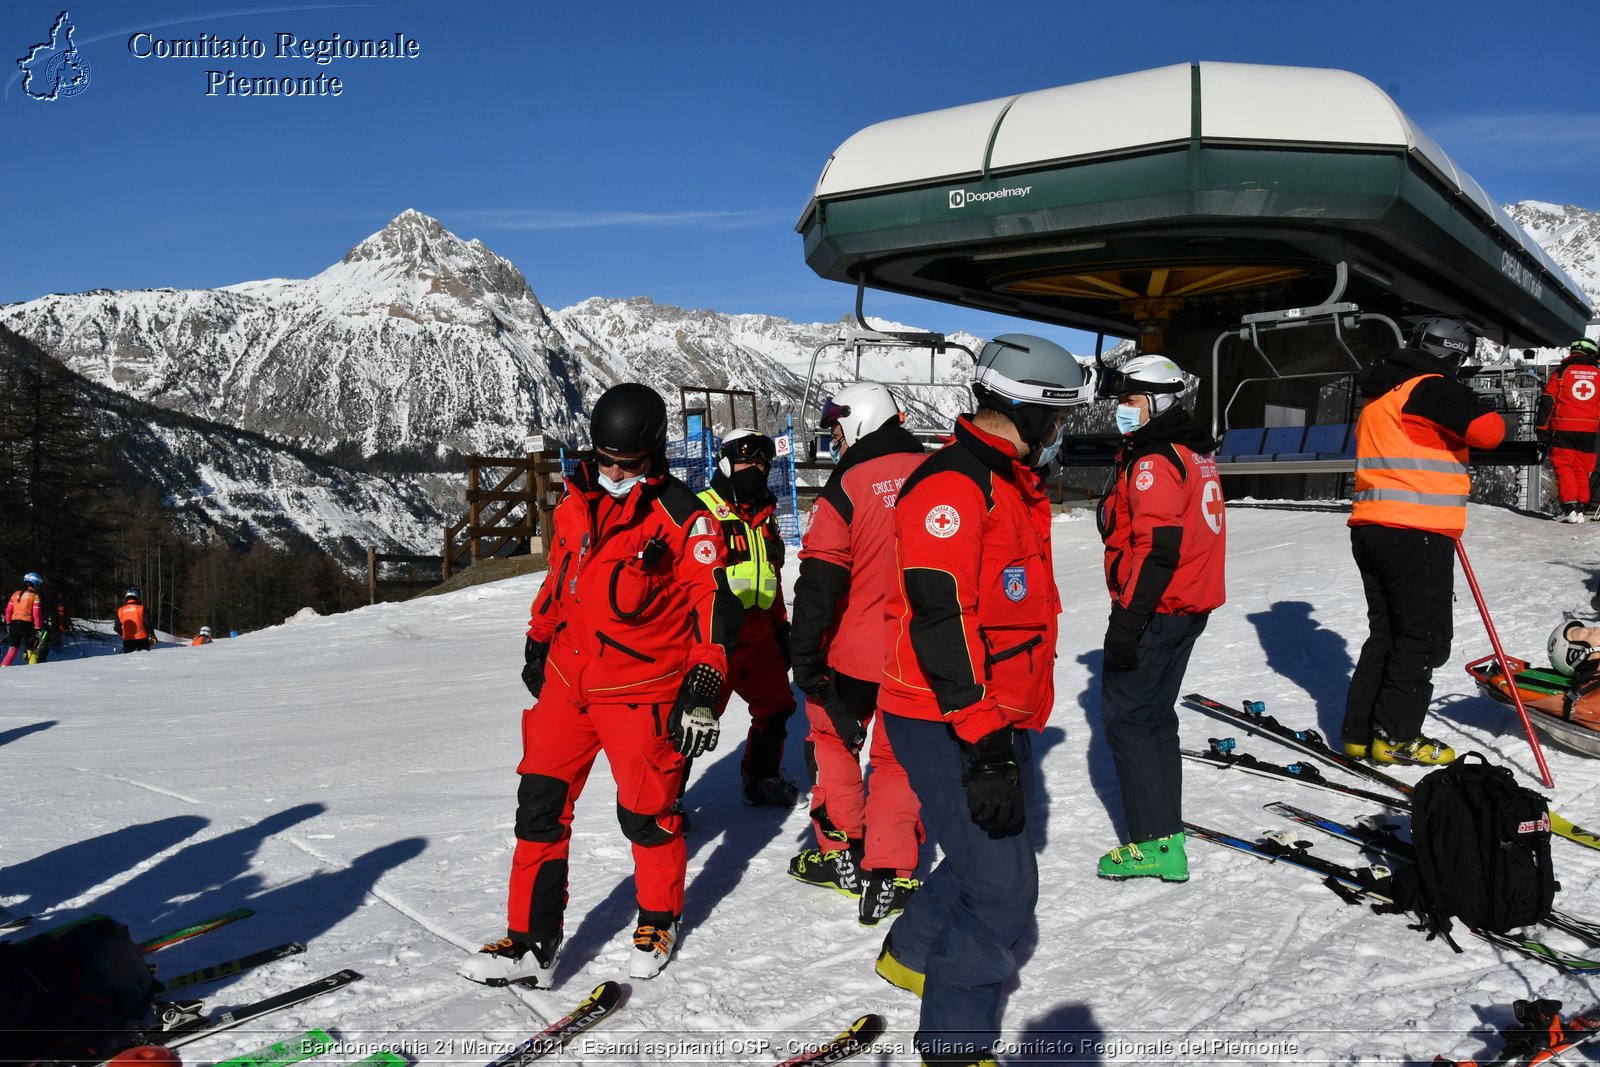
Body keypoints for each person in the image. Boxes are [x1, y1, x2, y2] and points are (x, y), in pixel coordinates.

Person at [459, 382, 740, 989]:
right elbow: (562, 575)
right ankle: (531, 941)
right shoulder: (576, 501)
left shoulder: (683, 518)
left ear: (654, 454)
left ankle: (658, 918)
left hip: (641, 690)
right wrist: (540, 636)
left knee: (647, 814)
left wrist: (706, 677)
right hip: (569, 681)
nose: (614, 472)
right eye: (605, 459)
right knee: (539, 806)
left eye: (628, 464)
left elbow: (714, 601)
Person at [874, 334, 1090, 1067]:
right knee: (1002, 888)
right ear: (1031, 412)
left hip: (995, 712)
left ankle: (911, 953)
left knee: (981, 859)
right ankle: (954, 1047)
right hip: (950, 715)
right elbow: (940, 615)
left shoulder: (1007, 481)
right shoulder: (954, 487)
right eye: (1058, 423)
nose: (1059, 438)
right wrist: (985, 737)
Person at [787, 382, 926, 926]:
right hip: (917, 652)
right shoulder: (940, 473)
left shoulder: (847, 485)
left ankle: (840, 850)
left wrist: (805, 657)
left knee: (832, 741)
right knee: (896, 758)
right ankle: (890, 875)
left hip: (852, 652)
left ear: (862, 420)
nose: (835, 439)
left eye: (838, 427)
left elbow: (819, 582)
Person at [1341, 316, 1505, 765]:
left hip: (1372, 526)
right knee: (1423, 637)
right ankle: (1396, 736)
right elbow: (1489, 432)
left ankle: (1360, 733)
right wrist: (1469, 399)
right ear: (1452, 353)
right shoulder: (1431, 386)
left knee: (1387, 632)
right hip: (1416, 530)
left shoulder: (1383, 396)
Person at [1093, 355, 1226, 882]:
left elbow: (1157, 548)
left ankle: (1154, 844)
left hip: (1158, 608)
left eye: (1130, 401)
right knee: (1153, 717)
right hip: (1186, 605)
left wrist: (1127, 622)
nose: (1122, 412)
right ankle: (1165, 830)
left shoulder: (1154, 461)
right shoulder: (1190, 451)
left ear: (1156, 402)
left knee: (1129, 720)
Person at [696, 428, 800, 808]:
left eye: (762, 461)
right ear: (725, 462)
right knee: (695, 714)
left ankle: (760, 778)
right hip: (717, 636)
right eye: (746, 459)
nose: (755, 467)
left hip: (759, 634)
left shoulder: (766, 517)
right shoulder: (704, 510)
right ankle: (666, 800)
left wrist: (780, 628)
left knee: (777, 706)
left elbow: (768, 575)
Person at [1535, 337, 1600, 523]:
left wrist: (1541, 428)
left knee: (1564, 466)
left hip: (1564, 427)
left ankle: (1570, 507)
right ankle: (1581, 507)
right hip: (1590, 430)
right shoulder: (1598, 373)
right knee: (1581, 468)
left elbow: (1547, 401)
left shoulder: (1561, 373)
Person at [3, 572, 44, 667]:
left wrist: (9, 624)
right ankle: (33, 671)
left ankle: (3, 669)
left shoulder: (15, 594)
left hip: (14, 624)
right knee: (31, 649)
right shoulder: (34, 595)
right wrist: (38, 627)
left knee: (12, 649)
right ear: (36, 583)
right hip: (27, 625)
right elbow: (36, 614)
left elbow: (8, 610)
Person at [117, 589, 153, 653]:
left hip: (128, 639)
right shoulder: (142, 608)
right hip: (142, 638)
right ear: (138, 597)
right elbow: (148, 623)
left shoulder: (120, 610)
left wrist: (124, 634)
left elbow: (116, 627)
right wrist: (152, 635)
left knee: (129, 661)